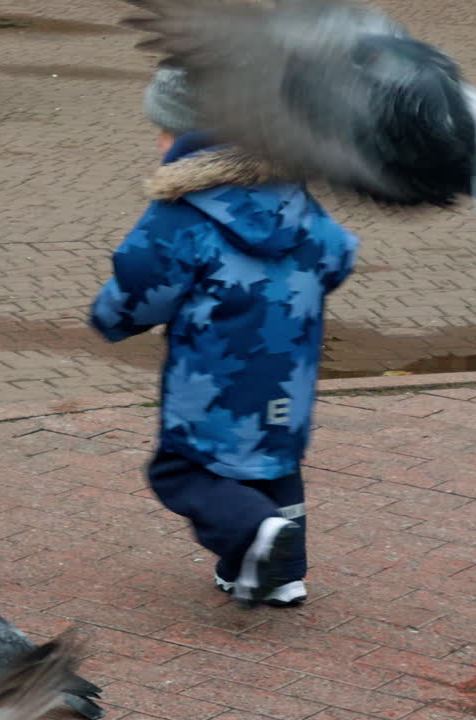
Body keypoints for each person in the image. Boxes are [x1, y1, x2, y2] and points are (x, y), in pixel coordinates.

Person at [89, 66, 359, 608]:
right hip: (290, 370)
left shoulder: (181, 212)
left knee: (182, 469)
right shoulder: (294, 195)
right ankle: (280, 573)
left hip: (215, 376)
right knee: (273, 464)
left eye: (164, 130)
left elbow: (146, 281)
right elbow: (337, 251)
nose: (158, 141)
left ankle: (255, 535)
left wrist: (111, 316)